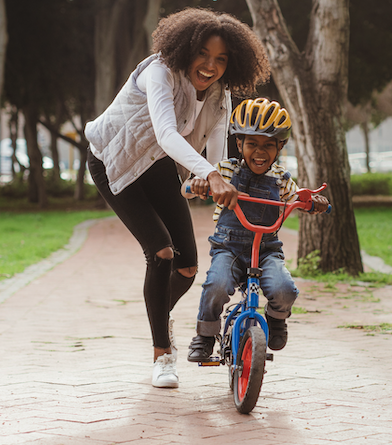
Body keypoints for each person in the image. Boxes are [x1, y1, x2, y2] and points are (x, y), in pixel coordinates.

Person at [83, 8, 270, 389]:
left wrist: (215, 177)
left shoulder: (220, 95)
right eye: (203, 53)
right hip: (113, 161)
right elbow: (166, 133)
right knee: (162, 252)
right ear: (186, 48)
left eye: (221, 59)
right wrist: (210, 174)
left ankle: (158, 315)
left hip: (156, 168)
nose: (210, 66)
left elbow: (217, 150)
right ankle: (162, 354)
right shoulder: (159, 72)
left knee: (186, 268)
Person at [183, 98, 330, 363]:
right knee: (216, 286)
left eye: (268, 145)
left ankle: (276, 318)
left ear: (280, 147)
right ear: (239, 144)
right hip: (229, 248)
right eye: (252, 144)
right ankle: (205, 335)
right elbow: (185, 189)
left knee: (285, 289)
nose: (259, 152)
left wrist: (314, 202)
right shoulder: (225, 171)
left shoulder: (282, 179)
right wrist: (197, 185)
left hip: (266, 250)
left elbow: (299, 196)